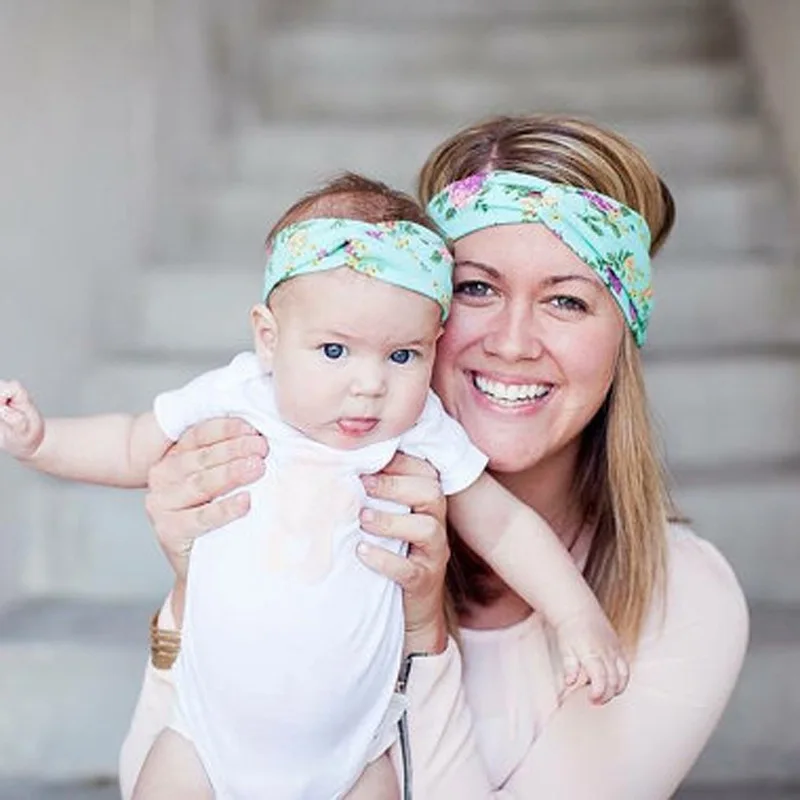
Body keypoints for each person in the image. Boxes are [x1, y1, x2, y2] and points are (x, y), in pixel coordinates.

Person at [119, 115, 749, 799]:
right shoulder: (311, 489)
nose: (512, 343)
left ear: (623, 336)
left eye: (567, 300)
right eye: (476, 288)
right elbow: (162, 774)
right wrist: (195, 589)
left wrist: (424, 639)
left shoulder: (680, 594)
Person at [0, 173, 628, 800]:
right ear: (269, 338)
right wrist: (41, 441)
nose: (369, 385)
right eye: (334, 351)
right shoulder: (239, 395)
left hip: (355, 755)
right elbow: (131, 444)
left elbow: (505, 524)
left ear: (433, 346)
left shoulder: (420, 432)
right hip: (205, 740)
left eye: (402, 356)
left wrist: (576, 615)